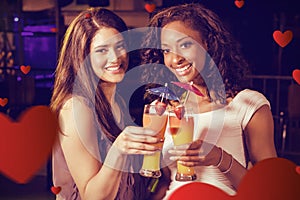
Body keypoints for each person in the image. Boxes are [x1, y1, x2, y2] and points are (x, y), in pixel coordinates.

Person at [140, 3, 277, 198]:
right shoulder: (162, 110)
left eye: (185, 45)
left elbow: (269, 189)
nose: (174, 59)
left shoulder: (247, 105)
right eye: (166, 50)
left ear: (208, 43)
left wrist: (220, 158)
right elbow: (164, 183)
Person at [50, 7, 162, 200]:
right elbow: (92, 196)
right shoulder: (77, 108)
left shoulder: (117, 101)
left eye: (119, 46)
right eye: (102, 50)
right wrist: (118, 150)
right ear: (82, 57)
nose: (115, 57)